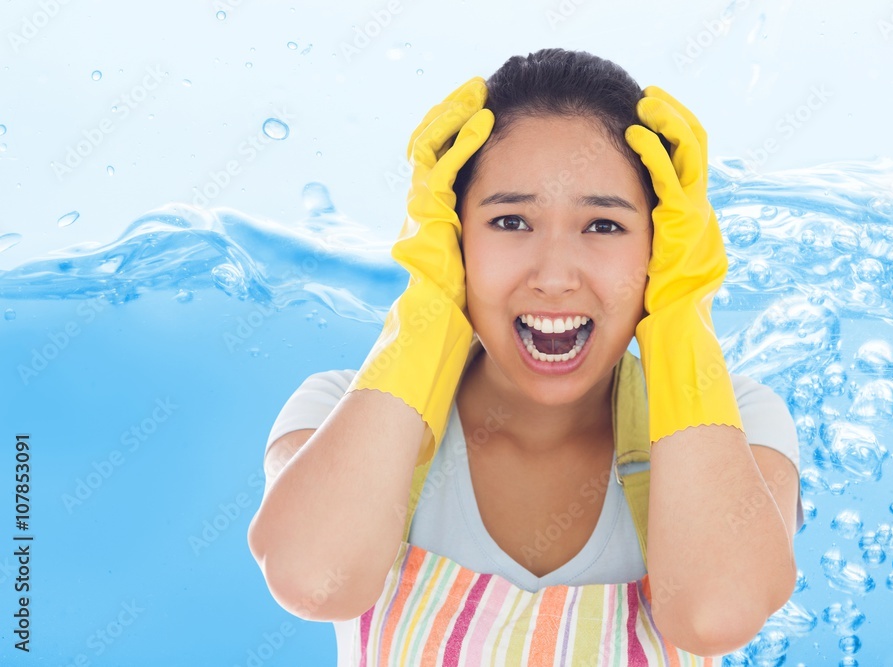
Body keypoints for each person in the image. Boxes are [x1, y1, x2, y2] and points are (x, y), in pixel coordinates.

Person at [248, 48, 803, 664]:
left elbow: (714, 615)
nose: (555, 276)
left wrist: (677, 316)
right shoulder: (338, 409)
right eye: (510, 222)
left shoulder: (744, 424)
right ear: (452, 238)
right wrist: (431, 306)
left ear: (664, 245)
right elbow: (313, 581)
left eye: (604, 226)